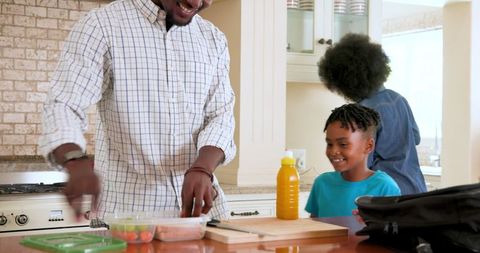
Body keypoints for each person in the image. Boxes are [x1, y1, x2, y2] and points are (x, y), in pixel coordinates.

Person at [38, 0, 236, 220]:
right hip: (129, 219)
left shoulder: (212, 38)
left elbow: (220, 114)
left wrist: (202, 168)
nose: (197, 2)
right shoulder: (102, 25)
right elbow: (64, 103)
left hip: (201, 216)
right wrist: (75, 159)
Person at [318, 33, 427, 195]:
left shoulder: (362, 112)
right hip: (415, 187)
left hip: (384, 193)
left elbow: (361, 163)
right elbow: (416, 138)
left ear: (346, 81)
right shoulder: (399, 99)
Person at [305, 104, 400, 218]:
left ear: (368, 146)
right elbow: (313, 228)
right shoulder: (322, 183)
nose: (333, 151)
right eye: (329, 144)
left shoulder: (385, 187)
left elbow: (391, 232)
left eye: (343, 144)